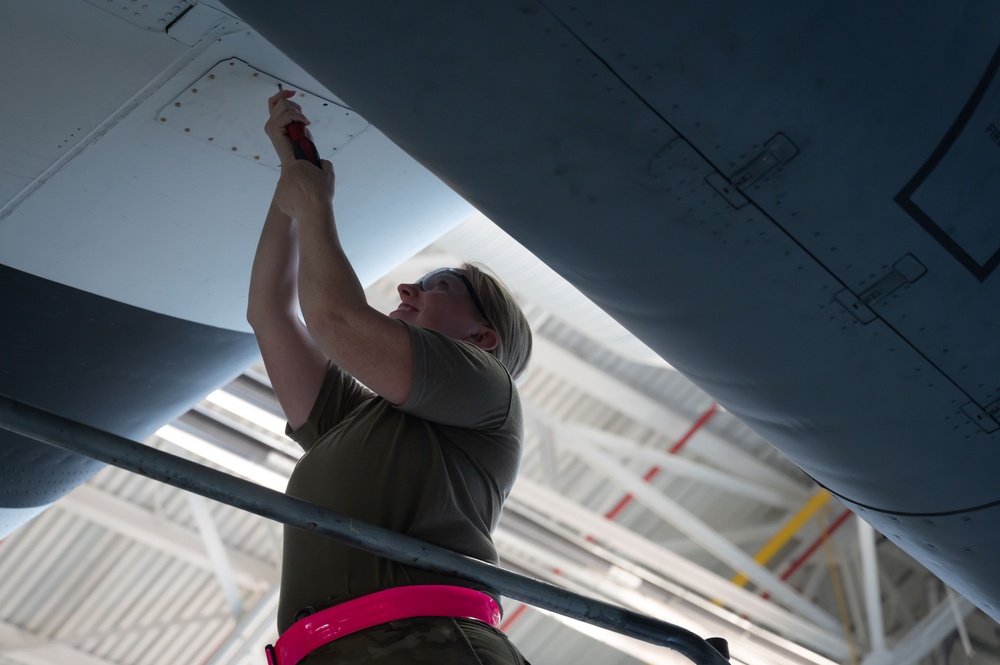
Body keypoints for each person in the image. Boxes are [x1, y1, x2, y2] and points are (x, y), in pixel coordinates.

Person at [248, 88, 533, 664]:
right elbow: (269, 313)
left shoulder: (487, 391)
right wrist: (294, 180)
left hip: (424, 646)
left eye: (438, 285)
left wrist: (314, 206)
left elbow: (335, 322)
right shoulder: (358, 421)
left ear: (483, 340)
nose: (408, 288)